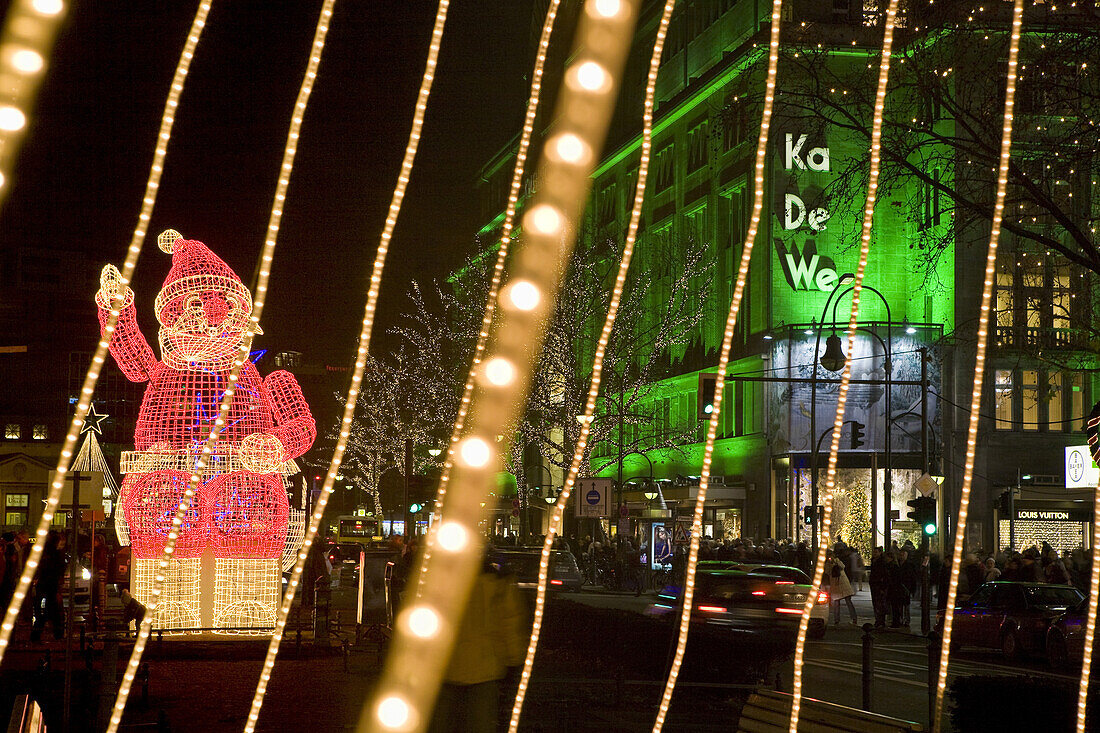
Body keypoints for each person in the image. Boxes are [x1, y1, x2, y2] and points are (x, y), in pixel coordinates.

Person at [429, 551, 526, 733]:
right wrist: (514, 661)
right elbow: (509, 624)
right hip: (485, 669)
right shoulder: (498, 584)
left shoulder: (442, 584)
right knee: (479, 724)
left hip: (447, 667)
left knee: (442, 724)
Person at [31, 531, 66, 643]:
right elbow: (58, 568)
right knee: (52, 610)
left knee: (44, 611)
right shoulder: (55, 554)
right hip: (51, 584)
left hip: (45, 584)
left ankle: (37, 634)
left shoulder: (46, 552)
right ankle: (56, 634)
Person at [825, 552, 858, 625]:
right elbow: (827, 572)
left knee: (848, 602)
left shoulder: (838, 561)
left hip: (844, 585)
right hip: (835, 586)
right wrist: (830, 564)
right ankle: (837, 620)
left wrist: (835, 561)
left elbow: (842, 566)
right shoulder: (827, 564)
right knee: (836, 604)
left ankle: (854, 618)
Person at [869, 547, 890, 629]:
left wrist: (882, 587)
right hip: (874, 584)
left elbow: (884, 575)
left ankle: (881, 621)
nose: (874, 554)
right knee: (876, 603)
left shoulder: (881, 563)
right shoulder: (874, 561)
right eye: (874, 552)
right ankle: (878, 620)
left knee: (879, 604)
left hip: (879, 585)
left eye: (876, 552)